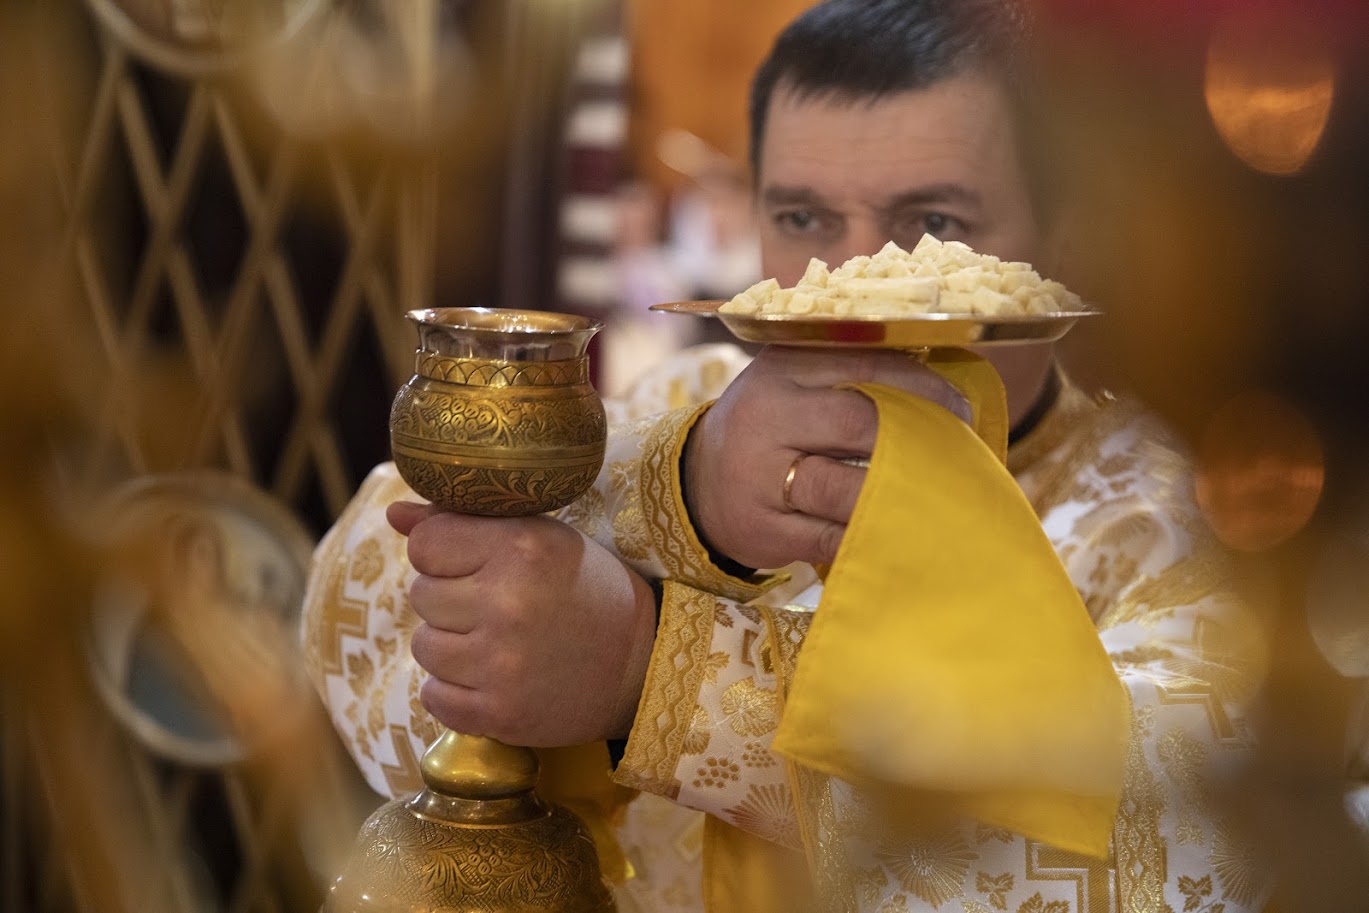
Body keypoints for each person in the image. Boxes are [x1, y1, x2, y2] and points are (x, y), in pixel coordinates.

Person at [301, 2, 1268, 911]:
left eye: (934, 226)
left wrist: (649, 670)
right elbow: (355, 592)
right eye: (803, 220)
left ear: (1066, 240)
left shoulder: (1176, 511)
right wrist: (681, 493)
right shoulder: (690, 406)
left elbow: (1177, 840)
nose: (856, 286)